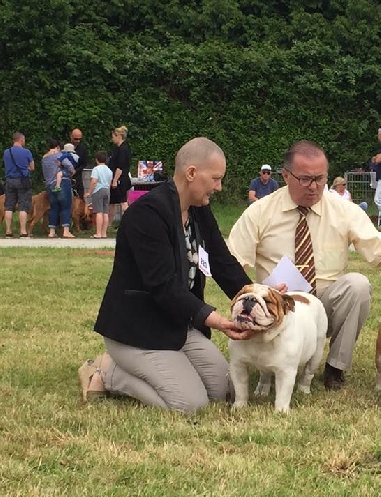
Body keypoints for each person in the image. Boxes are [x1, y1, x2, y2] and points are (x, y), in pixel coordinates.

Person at [228, 140, 381, 390]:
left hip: (324, 304)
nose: (314, 186)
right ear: (285, 175)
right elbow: (233, 262)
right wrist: (254, 304)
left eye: (320, 178)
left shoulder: (342, 209)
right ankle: (268, 363)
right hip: (278, 303)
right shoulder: (260, 211)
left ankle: (335, 368)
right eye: (305, 179)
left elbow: (379, 246)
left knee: (357, 285)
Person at [79, 137, 255, 413]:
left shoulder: (199, 210)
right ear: (192, 173)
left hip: (177, 326)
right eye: (216, 178)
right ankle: (108, 372)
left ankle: (166, 367)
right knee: (189, 404)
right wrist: (217, 321)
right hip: (137, 331)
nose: (219, 187)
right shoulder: (146, 215)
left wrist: (258, 298)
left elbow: (222, 262)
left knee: (223, 390)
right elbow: (164, 287)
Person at [41, 139, 76, 238]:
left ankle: (51, 231)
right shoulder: (59, 155)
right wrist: (73, 171)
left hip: (49, 185)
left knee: (54, 207)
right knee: (66, 206)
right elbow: (69, 165)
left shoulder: (44, 159)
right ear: (57, 147)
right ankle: (66, 231)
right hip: (61, 184)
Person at [3, 132, 35, 238]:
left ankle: (8, 231)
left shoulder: (6, 152)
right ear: (21, 140)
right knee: (23, 206)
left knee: (9, 206)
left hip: (9, 180)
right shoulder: (26, 152)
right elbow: (32, 167)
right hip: (23, 180)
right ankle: (23, 231)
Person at [84, 151, 113, 238]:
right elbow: (110, 182)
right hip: (107, 190)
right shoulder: (109, 170)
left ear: (96, 160)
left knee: (99, 212)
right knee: (105, 212)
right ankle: (104, 233)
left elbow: (94, 181)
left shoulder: (96, 169)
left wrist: (89, 192)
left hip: (98, 191)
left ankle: (98, 233)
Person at [108, 125, 132, 222]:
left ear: (118, 136)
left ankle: (128, 222)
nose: (112, 138)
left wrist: (115, 180)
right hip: (117, 178)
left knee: (123, 201)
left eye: (113, 136)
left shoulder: (123, 150)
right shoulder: (117, 149)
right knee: (112, 202)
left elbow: (120, 167)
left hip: (120, 179)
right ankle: (108, 224)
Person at [70, 128, 88, 199]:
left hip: (77, 176)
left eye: (79, 139)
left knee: (80, 198)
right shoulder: (65, 147)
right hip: (66, 176)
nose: (78, 141)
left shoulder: (83, 149)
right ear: (71, 136)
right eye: (76, 139)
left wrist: (76, 171)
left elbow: (84, 163)